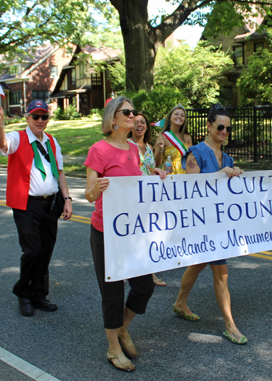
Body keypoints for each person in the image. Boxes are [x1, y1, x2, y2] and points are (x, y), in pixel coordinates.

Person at [85, 97, 166, 372]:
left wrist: (155, 175)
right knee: (112, 291)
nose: (133, 116)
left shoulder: (135, 149)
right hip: (105, 232)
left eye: (134, 113)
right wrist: (99, 187)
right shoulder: (98, 150)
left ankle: (122, 327)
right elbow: (88, 194)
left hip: (133, 231)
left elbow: (139, 181)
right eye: (127, 112)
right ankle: (113, 348)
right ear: (113, 118)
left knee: (144, 286)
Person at [173, 103, 247, 345]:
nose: (225, 132)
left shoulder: (227, 157)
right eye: (220, 127)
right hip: (201, 223)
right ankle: (230, 325)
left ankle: (180, 302)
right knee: (221, 272)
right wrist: (219, 175)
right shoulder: (196, 153)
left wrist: (234, 174)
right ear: (209, 126)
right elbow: (191, 188)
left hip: (219, 222)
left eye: (228, 128)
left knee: (198, 264)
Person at [0, 99, 73, 316]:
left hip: (51, 202)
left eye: (44, 116)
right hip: (27, 204)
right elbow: (1, 144)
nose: (40, 120)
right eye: (35, 116)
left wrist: (67, 199)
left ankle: (39, 294)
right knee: (33, 250)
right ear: (27, 118)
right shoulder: (18, 138)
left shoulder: (52, 142)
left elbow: (60, 173)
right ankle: (23, 293)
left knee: (45, 252)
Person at [128, 111, 167, 286]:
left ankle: (149, 273)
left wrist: (159, 149)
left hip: (149, 198)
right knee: (130, 235)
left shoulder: (149, 147)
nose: (139, 125)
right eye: (136, 122)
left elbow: (154, 167)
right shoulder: (126, 146)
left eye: (142, 122)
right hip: (132, 197)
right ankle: (123, 271)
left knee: (148, 235)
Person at [154, 104, 192, 174]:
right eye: (176, 114)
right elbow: (156, 164)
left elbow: (191, 160)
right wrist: (160, 149)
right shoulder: (163, 137)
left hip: (185, 176)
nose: (179, 117)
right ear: (170, 118)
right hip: (169, 176)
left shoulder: (187, 137)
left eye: (182, 115)